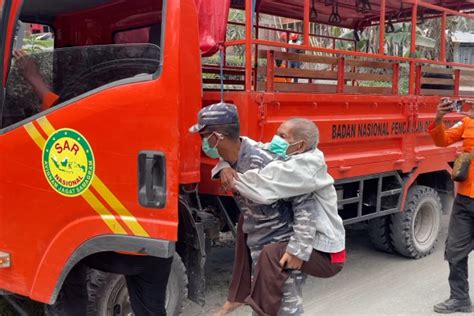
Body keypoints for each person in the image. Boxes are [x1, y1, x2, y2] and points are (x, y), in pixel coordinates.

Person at [189, 104, 328, 315]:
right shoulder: (235, 158)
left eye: (204, 135)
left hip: (282, 249)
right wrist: (223, 166)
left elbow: (305, 203)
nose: (201, 141)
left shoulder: (267, 162)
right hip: (259, 248)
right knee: (262, 308)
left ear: (217, 137)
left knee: (284, 310)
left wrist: (298, 250)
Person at [212, 118, 346, 316]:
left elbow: (261, 188)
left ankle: (259, 307)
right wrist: (224, 164)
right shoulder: (290, 153)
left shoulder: (304, 168)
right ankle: (241, 299)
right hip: (307, 240)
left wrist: (297, 251)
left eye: (282, 136)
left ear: (299, 145)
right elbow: (256, 146)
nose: (275, 140)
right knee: (245, 227)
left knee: (272, 258)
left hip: (324, 249)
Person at [430, 98, 474, 314]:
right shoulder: (467, 123)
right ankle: (460, 298)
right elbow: (441, 141)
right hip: (466, 199)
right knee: (455, 250)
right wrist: (439, 118)